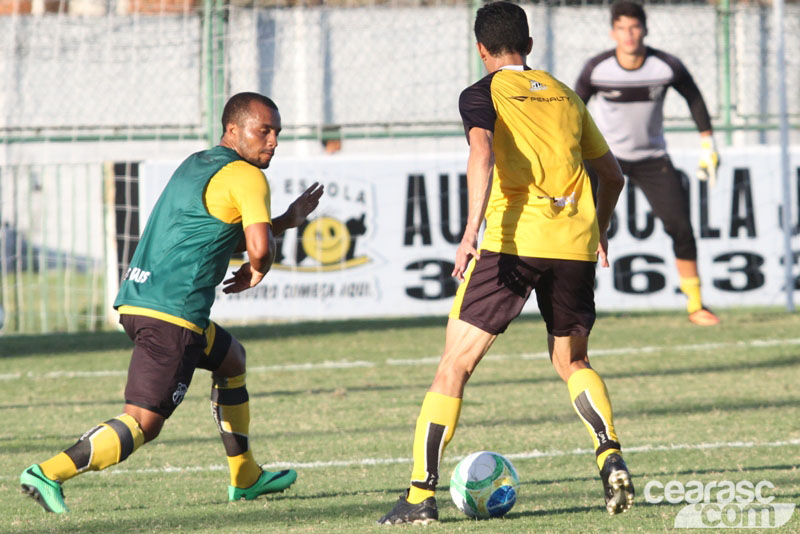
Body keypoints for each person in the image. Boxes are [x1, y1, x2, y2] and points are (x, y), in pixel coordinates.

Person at [377, 1, 632, 525]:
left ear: (480, 49)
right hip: (574, 243)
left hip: (513, 242)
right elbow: (613, 176)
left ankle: (420, 496)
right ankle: (608, 452)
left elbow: (482, 153)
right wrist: (599, 230)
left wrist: (470, 230)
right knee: (573, 363)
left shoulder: (482, 92)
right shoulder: (565, 92)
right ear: (529, 45)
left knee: (454, 365)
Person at [19, 92, 324, 514]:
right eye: (264, 131)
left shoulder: (197, 163)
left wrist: (286, 221)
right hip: (173, 314)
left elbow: (215, 235)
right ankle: (47, 472)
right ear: (233, 129)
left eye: (277, 133)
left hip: (141, 299)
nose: (273, 141)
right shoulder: (248, 176)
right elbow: (258, 249)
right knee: (143, 422)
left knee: (231, 359)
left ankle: (246, 477)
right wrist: (258, 269)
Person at [575, 0, 720, 326]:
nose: (629, 34)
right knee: (583, 229)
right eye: (622, 28)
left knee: (681, 228)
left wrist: (708, 143)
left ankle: (696, 305)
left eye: (634, 27)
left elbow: (694, 97)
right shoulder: (597, 68)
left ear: (645, 29)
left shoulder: (666, 66)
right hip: (605, 159)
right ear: (613, 33)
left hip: (653, 159)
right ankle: (576, 304)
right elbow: (573, 109)